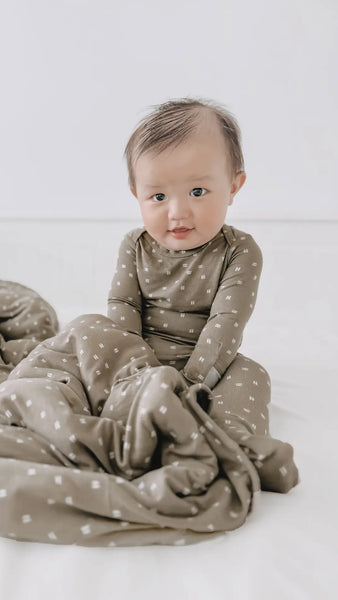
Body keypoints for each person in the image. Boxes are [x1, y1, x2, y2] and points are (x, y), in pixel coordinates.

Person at [107, 97, 299, 493]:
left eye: (197, 191)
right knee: (87, 333)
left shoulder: (239, 252)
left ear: (233, 187)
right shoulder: (135, 245)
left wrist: (190, 383)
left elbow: (226, 323)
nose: (177, 212)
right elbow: (123, 305)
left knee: (251, 375)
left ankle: (234, 445)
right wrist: (135, 369)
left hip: (209, 363)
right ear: (136, 194)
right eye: (158, 197)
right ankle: (119, 425)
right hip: (138, 358)